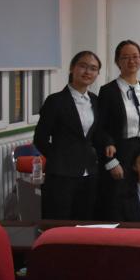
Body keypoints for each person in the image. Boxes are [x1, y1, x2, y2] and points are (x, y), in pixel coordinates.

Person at [34, 51, 113, 220]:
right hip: (61, 174)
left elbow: (96, 132)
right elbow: (40, 139)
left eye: (93, 68)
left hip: (89, 172)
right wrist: (58, 158)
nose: (87, 72)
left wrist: (108, 142)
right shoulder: (55, 101)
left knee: (85, 222)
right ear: (72, 68)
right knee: (59, 222)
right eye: (83, 66)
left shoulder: (95, 100)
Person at [96, 40, 140, 219]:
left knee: (136, 202)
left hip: (139, 153)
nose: (131, 61)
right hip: (117, 152)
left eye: (135, 56)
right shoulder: (108, 91)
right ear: (117, 62)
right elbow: (99, 128)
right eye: (125, 57)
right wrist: (111, 162)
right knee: (116, 203)